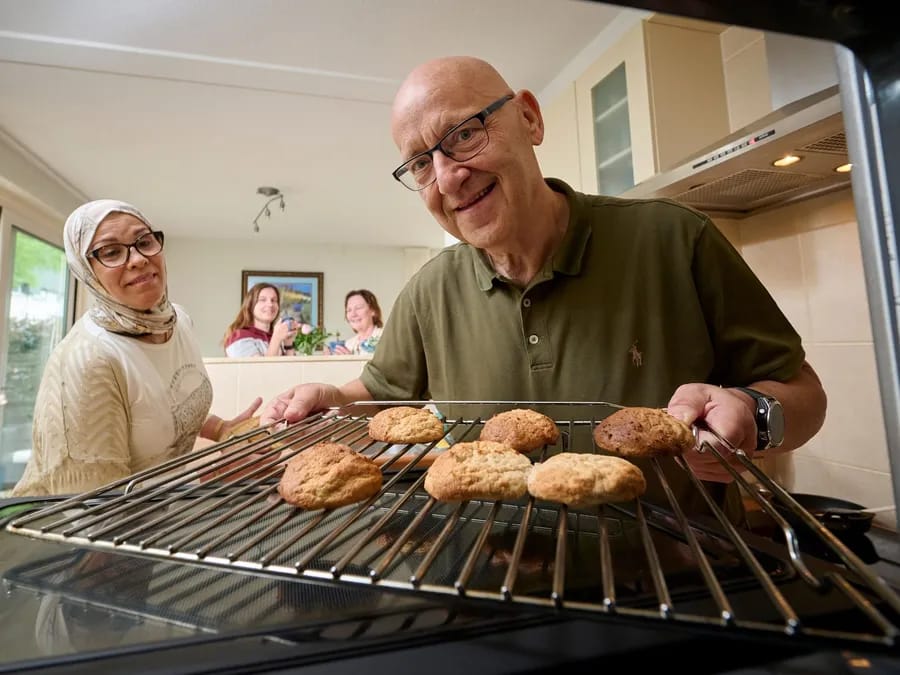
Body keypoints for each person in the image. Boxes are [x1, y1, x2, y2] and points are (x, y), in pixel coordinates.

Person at [261, 56, 827, 519]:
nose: (449, 176)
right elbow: (382, 392)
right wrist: (333, 398)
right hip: (483, 584)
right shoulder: (428, 291)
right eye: (420, 165)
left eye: (463, 134)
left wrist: (756, 416)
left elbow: (804, 393)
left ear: (529, 119)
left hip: (672, 587)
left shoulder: (675, 240)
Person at [12, 199, 260, 497]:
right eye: (111, 252)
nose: (139, 258)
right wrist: (217, 475)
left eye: (144, 241)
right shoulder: (89, 361)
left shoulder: (177, 320)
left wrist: (221, 429)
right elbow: (93, 512)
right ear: (86, 271)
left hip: (160, 515)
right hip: (79, 534)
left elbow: (162, 407)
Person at [223, 283, 298, 357]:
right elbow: (261, 368)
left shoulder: (275, 337)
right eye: (262, 300)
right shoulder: (238, 337)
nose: (270, 304)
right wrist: (276, 339)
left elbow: (291, 368)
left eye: (274, 300)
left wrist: (288, 345)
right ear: (250, 305)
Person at [328, 289, 384, 355]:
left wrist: (351, 361)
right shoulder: (348, 344)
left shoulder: (386, 337)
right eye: (349, 310)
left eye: (358, 308)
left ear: (373, 311)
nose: (353, 314)